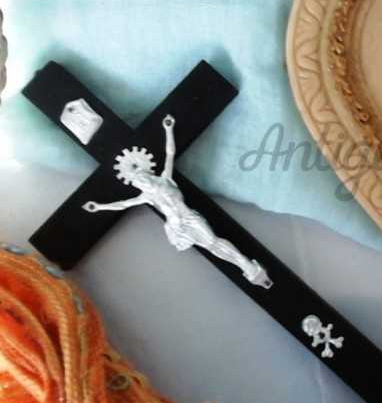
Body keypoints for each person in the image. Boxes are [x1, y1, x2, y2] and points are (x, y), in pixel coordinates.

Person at [83, 115, 273, 289]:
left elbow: (170, 153)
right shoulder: (146, 196)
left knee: (214, 241)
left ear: (146, 172)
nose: (140, 181)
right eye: (136, 181)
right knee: (210, 246)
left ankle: (245, 263)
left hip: (189, 217)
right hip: (177, 226)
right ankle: (246, 268)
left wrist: (168, 129)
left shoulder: (165, 179)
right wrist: (99, 207)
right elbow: (123, 204)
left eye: (140, 177)